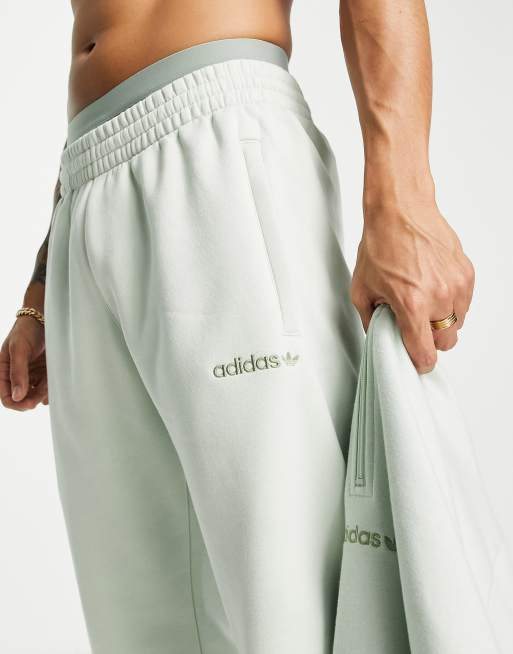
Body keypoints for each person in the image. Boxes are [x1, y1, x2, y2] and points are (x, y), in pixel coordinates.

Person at [0, 1, 475, 653]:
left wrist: (404, 201)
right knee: (141, 628)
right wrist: (41, 286)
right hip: (86, 186)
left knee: (292, 606)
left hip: (215, 138)